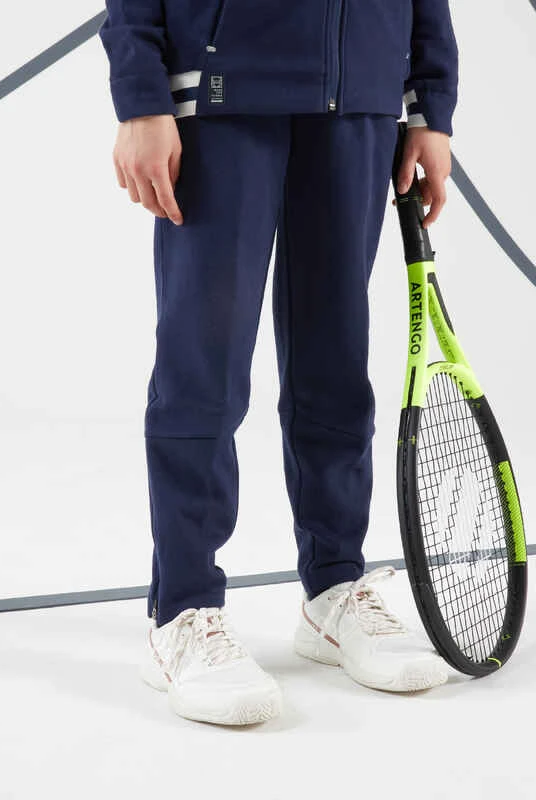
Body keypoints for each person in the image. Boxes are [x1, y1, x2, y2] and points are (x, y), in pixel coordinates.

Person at [99, 0, 458, 725]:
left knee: (337, 366)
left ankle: (334, 591)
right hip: (222, 91)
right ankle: (183, 611)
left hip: (360, 96)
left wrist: (430, 105)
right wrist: (141, 96)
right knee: (204, 370)